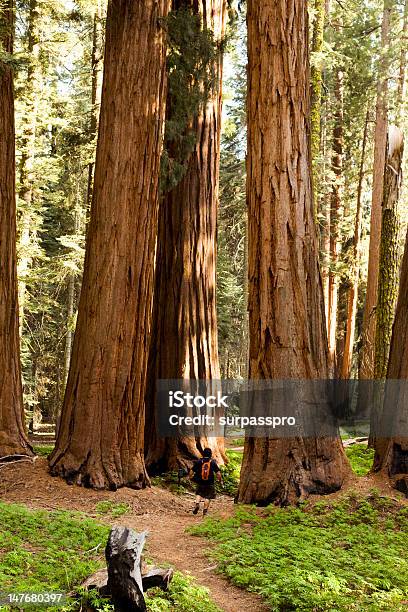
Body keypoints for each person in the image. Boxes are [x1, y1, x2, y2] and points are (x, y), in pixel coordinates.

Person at [190, 448, 222, 516]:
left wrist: (190, 477)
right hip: (210, 483)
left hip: (200, 482)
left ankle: (197, 504)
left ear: (203, 453)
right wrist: (219, 480)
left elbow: (192, 470)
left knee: (199, 493)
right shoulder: (212, 462)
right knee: (208, 496)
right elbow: (218, 473)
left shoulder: (199, 461)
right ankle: (205, 511)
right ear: (210, 454)